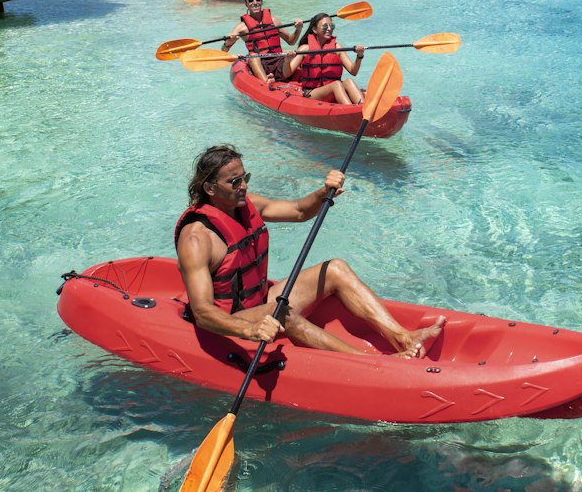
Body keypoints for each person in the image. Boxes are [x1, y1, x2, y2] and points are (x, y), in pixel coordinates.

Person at [175, 145, 444, 357]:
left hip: (259, 301)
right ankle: (367, 362)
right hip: (230, 321)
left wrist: (324, 191)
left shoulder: (248, 205)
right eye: (234, 182)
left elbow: (299, 211)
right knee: (280, 311)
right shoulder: (197, 239)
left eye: (244, 178)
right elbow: (203, 313)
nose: (243, 186)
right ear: (210, 188)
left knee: (335, 269)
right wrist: (251, 329)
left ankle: (402, 336)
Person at [223, 0, 300, 84]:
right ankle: (266, 82)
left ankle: (275, 77)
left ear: (262, 2)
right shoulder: (241, 27)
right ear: (246, 4)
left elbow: (291, 41)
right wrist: (228, 42)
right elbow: (224, 51)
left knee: (304, 50)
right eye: (251, 0)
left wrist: (298, 29)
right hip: (261, 64)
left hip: (278, 61)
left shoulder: (274, 21)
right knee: (253, 56)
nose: (255, 3)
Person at [285, 13, 365, 104]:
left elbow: (353, 71)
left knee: (348, 81)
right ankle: (351, 111)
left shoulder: (337, 48)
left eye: (332, 26)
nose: (329, 29)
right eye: (324, 26)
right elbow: (287, 73)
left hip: (333, 89)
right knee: (336, 84)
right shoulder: (305, 49)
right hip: (311, 92)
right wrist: (287, 60)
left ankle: (363, 107)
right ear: (315, 30)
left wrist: (359, 56)